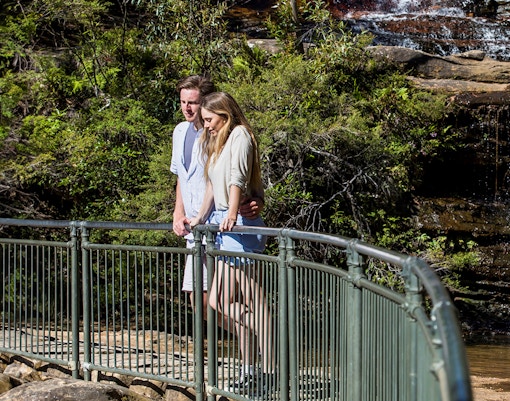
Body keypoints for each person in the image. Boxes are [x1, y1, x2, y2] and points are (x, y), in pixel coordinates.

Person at [190, 91, 275, 397]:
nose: (207, 125)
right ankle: (262, 345)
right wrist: (200, 217)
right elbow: (213, 183)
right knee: (216, 301)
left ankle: (268, 369)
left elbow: (237, 179)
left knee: (254, 298)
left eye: (210, 120)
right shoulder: (218, 140)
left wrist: (232, 215)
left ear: (224, 116)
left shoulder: (240, 135)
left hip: (240, 226)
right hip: (225, 225)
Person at [170, 75, 263, 315]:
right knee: (200, 301)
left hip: (222, 225)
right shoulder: (180, 132)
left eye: (193, 102)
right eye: (182, 102)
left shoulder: (227, 135)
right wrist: (179, 212)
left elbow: (240, 176)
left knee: (227, 300)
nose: (187, 108)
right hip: (199, 228)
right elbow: (182, 175)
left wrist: (251, 203)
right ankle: (253, 343)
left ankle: (259, 342)